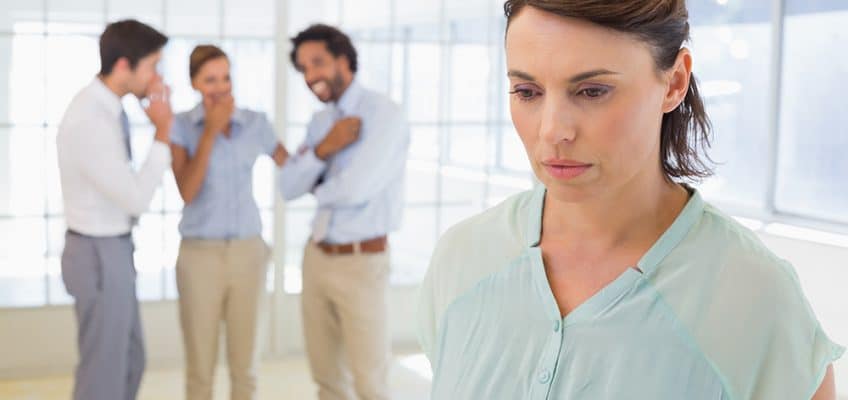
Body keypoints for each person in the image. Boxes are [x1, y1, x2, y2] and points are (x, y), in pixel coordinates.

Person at [417, 1, 844, 399]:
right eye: (527, 92)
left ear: (674, 83)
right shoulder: (462, 259)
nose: (552, 130)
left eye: (592, 91)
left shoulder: (754, 296)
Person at [279, 24, 410, 400]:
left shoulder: (384, 114)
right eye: (303, 68)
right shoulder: (321, 124)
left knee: (370, 383)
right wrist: (324, 149)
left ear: (343, 59)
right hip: (316, 257)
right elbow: (288, 186)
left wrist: (316, 184)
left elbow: (355, 189)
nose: (310, 75)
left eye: (317, 62)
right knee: (327, 380)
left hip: (361, 263)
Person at [57, 19, 172, 400]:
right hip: (98, 252)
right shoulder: (90, 118)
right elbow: (135, 199)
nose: (157, 78)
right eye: (152, 66)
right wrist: (163, 131)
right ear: (124, 65)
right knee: (104, 371)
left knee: (130, 361)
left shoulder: (108, 109)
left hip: (112, 248)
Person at [169, 44, 287, 400]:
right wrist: (210, 132)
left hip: (248, 253)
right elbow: (187, 191)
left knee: (245, 366)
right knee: (200, 369)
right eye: (210, 80)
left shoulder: (256, 123)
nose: (220, 87)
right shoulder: (181, 127)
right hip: (199, 256)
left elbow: (294, 168)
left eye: (225, 78)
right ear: (194, 83)